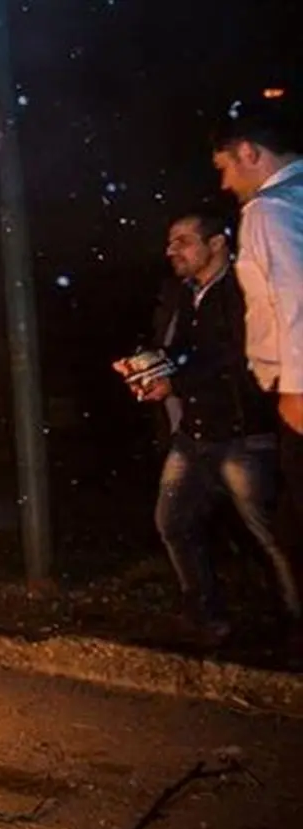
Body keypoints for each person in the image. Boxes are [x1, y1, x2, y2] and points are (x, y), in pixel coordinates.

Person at [118, 212, 299, 643]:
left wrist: (174, 380)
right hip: (195, 435)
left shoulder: (242, 292)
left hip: (243, 436)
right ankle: (206, 619)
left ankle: (295, 627)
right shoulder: (186, 294)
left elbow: (237, 360)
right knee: (174, 522)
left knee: (274, 537)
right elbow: (183, 352)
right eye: (170, 242)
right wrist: (147, 368)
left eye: (183, 241)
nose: (171, 250)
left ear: (217, 243)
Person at [212, 102, 303, 650]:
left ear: (251, 153)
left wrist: (295, 384)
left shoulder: (268, 211)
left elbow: (295, 298)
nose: (225, 182)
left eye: (225, 166)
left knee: (295, 524)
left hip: (299, 389)